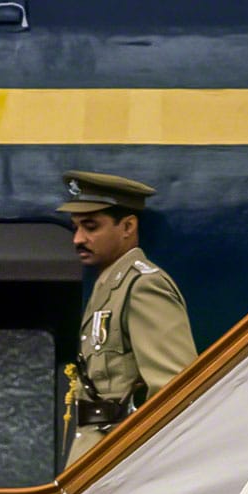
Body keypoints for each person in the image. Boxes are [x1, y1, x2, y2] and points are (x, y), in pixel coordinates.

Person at [58, 169, 198, 467]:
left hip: (121, 462)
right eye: (76, 227)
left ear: (127, 226)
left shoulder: (143, 285)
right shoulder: (107, 287)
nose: (78, 239)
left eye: (91, 227)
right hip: (96, 457)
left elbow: (175, 392)